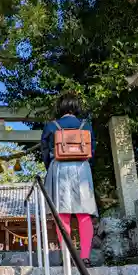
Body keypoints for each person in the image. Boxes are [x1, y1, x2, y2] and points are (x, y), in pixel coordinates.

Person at [40, 92, 98, 266]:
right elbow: (92, 149)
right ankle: (85, 256)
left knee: (63, 214)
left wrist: (49, 165)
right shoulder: (86, 126)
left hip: (59, 168)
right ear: (76, 107)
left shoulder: (51, 126)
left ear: (60, 107)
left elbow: (44, 151)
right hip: (81, 168)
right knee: (84, 214)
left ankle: (68, 256)